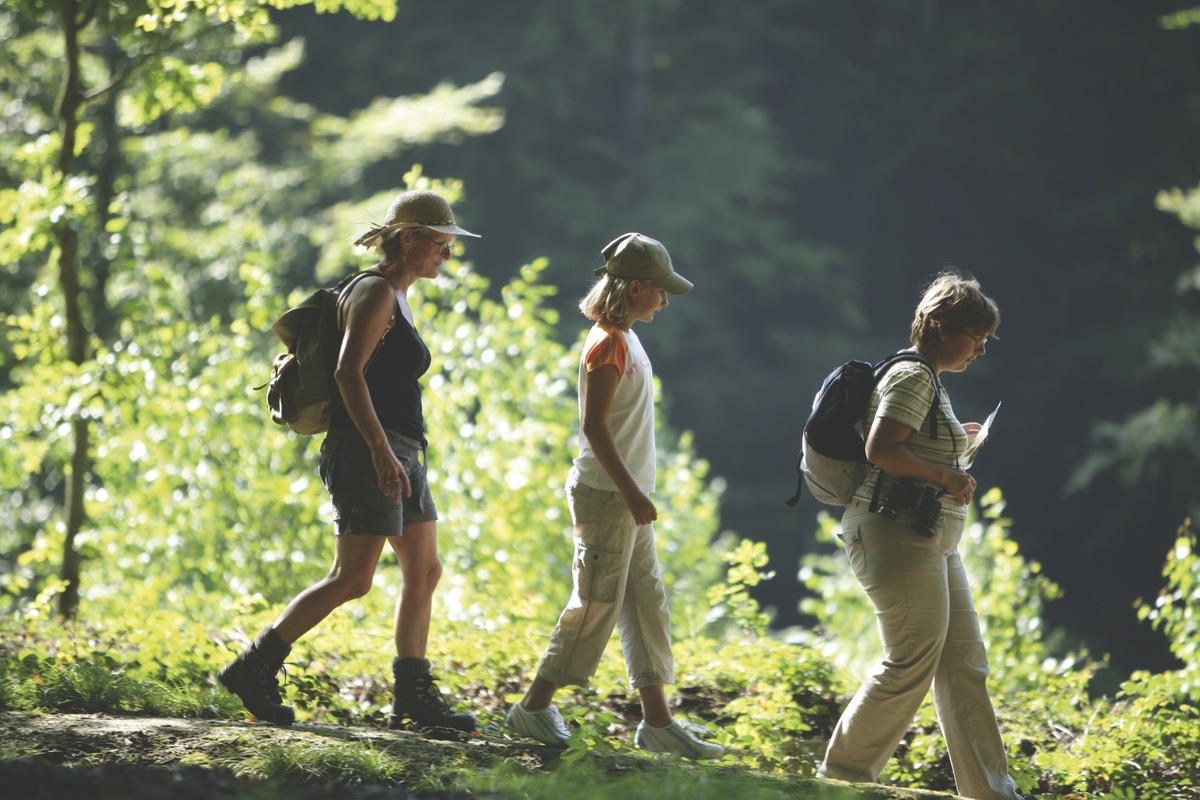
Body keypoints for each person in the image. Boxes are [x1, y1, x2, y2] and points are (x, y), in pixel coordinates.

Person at [219, 189, 479, 732]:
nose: (447, 255)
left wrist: (398, 452)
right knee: (353, 576)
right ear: (408, 238)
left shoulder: (396, 295)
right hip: (369, 451)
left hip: (401, 451)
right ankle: (254, 665)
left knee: (424, 569)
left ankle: (412, 693)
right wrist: (382, 451)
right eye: (440, 243)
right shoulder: (375, 291)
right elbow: (346, 374)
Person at [504, 233, 724, 760]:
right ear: (635, 286)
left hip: (626, 498)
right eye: (660, 291)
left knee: (646, 603)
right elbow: (594, 428)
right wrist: (632, 493)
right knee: (596, 603)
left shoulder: (625, 336)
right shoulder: (607, 342)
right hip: (608, 496)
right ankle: (532, 709)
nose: (664, 301)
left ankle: (658, 724)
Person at [816, 271, 1033, 800]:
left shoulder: (924, 379)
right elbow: (882, 449)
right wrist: (947, 476)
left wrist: (959, 443)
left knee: (963, 663)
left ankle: (990, 790)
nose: (980, 351)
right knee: (911, 658)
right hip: (896, 534)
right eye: (975, 338)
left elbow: (910, 442)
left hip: (930, 538)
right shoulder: (914, 377)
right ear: (940, 328)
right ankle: (840, 781)